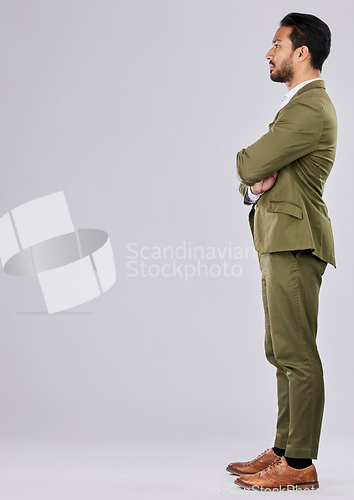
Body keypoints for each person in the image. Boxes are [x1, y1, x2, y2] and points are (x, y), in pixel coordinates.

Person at [227, 13, 337, 491]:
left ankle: (300, 463)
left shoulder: (309, 108)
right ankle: (283, 450)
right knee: (281, 350)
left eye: (276, 44)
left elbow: (250, 162)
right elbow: (256, 179)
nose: (268, 53)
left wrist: (250, 172)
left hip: (296, 242)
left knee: (298, 353)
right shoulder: (297, 106)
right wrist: (254, 185)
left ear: (301, 52)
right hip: (279, 240)